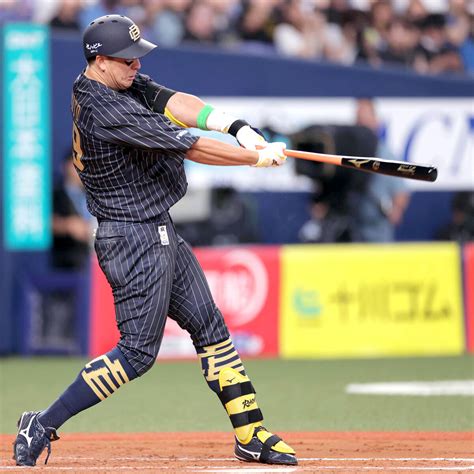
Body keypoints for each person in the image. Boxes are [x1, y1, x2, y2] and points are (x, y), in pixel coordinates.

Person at [12, 14, 296, 468]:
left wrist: (236, 125)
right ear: (99, 61)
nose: (136, 67)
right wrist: (253, 157)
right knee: (138, 353)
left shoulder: (118, 83)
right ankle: (42, 423)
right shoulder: (106, 108)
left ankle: (251, 433)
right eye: (126, 61)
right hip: (131, 236)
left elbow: (174, 101)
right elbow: (190, 146)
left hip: (157, 225)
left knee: (211, 329)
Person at [349, 99, 410, 242]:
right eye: (359, 121)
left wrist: (396, 210)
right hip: (353, 226)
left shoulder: (386, 155)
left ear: (375, 122)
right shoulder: (348, 155)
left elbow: (401, 191)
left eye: (366, 120)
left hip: (378, 228)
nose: (362, 126)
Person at [51, 153, 94, 270]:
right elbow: (40, 222)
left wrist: (92, 231)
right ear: (65, 166)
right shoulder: (53, 194)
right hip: (66, 263)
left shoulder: (95, 195)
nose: (81, 169)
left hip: (94, 263)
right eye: (76, 164)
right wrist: (67, 226)